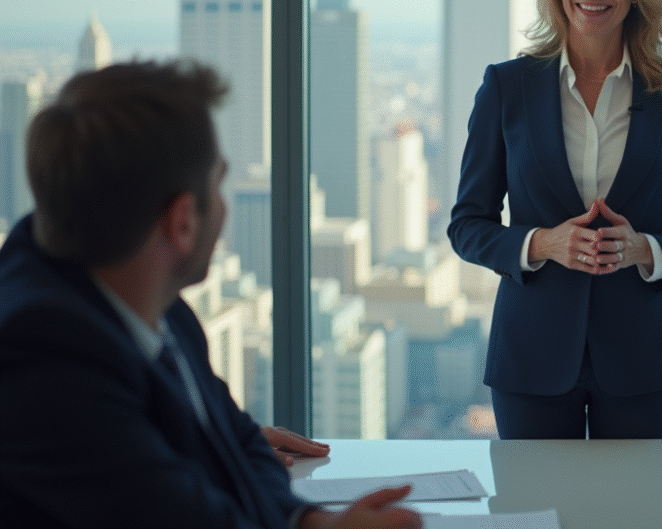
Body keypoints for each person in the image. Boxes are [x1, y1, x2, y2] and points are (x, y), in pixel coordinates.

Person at [0, 60, 420, 529]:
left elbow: (240, 442)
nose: (224, 206)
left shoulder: (151, 300)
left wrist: (305, 521)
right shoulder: (45, 365)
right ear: (182, 222)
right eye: (218, 184)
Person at [447, 0, 662, 439]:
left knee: (635, 518)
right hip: (530, 357)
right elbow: (467, 225)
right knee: (535, 518)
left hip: (643, 360)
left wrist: (645, 249)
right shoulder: (508, 88)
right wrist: (542, 244)